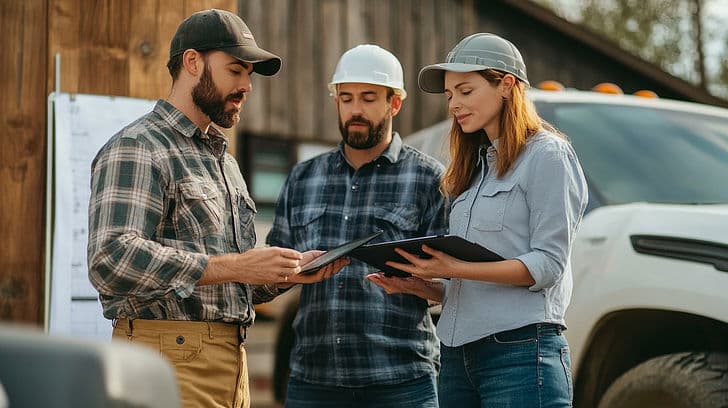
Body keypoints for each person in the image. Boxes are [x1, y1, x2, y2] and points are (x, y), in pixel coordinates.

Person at [86, 9, 346, 408]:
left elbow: (232, 283)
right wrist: (237, 266)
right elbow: (111, 257)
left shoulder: (224, 161)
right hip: (164, 361)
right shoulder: (139, 146)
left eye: (249, 75)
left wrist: (289, 273)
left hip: (231, 362)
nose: (246, 85)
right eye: (235, 70)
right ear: (193, 62)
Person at [369, 33, 589, 407]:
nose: (454, 104)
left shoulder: (548, 155)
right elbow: (479, 283)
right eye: (450, 95)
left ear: (506, 85)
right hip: (457, 358)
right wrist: (428, 286)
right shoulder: (473, 170)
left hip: (520, 354)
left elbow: (548, 265)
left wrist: (455, 267)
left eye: (466, 91)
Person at [266, 44, 448, 408]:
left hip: (401, 382)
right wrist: (290, 272)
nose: (355, 110)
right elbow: (271, 274)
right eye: (346, 98)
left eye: (368, 98)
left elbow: (454, 285)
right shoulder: (303, 178)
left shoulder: (430, 179)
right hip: (314, 381)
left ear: (394, 103)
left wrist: (418, 285)